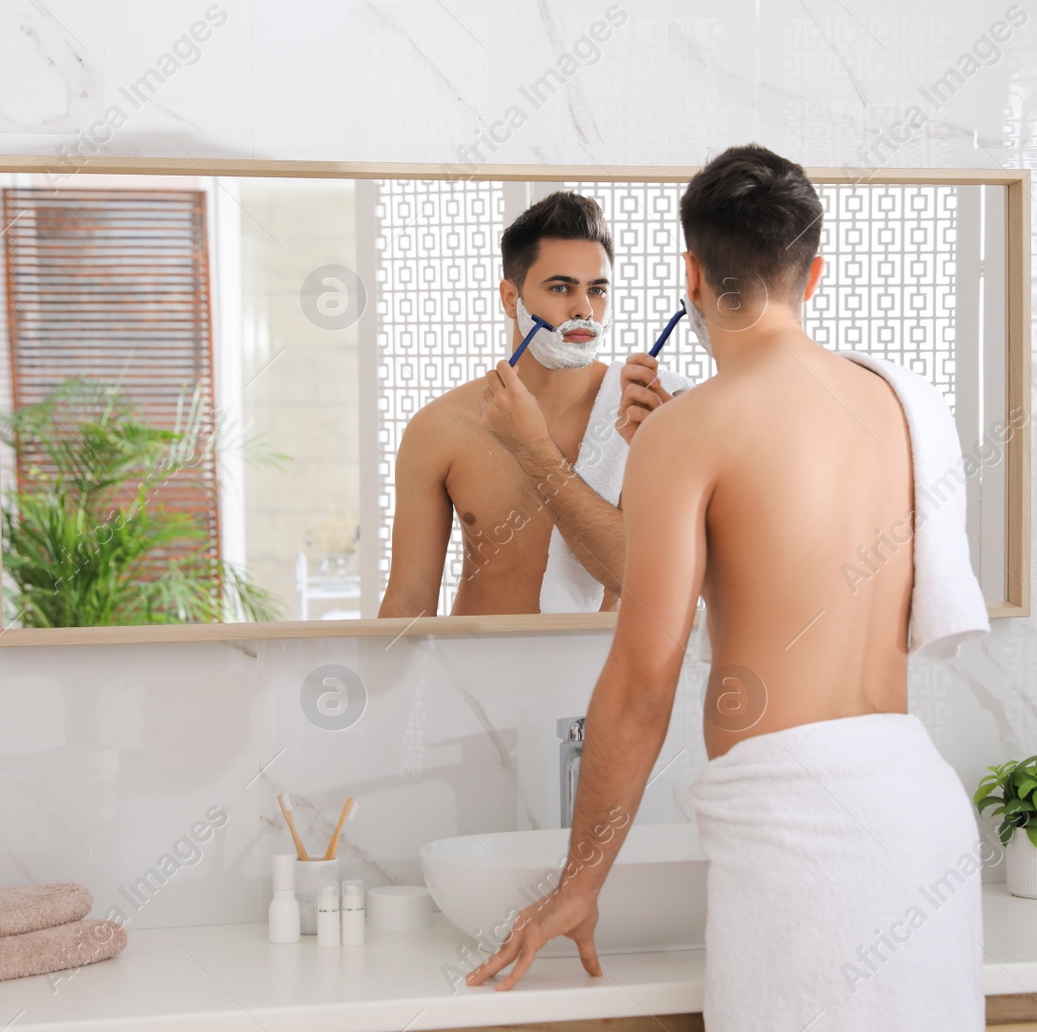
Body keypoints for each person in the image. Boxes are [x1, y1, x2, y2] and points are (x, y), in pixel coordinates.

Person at [465, 145, 989, 1030]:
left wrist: (578, 885)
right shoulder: (900, 405)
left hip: (804, 840)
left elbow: (639, 688)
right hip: (922, 815)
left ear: (693, 274)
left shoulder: (688, 431)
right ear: (812, 272)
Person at [379, 190, 690, 618]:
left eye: (597, 290)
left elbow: (641, 574)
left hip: (597, 677)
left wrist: (532, 447)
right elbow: (407, 602)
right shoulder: (440, 427)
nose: (584, 310)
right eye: (560, 287)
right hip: (476, 678)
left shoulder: (648, 410)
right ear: (511, 299)